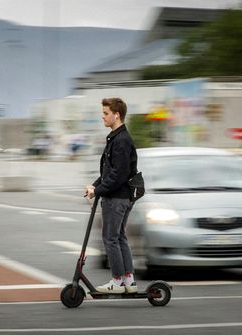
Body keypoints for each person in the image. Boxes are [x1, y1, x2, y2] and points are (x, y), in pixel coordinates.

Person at [85, 97, 138, 294]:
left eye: (106, 113)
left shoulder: (121, 140)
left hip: (117, 198)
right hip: (120, 196)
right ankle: (128, 281)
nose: (103, 116)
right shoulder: (117, 138)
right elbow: (110, 172)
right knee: (120, 237)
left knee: (110, 238)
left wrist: (98, 190)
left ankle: (117, 281)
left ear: (117, 115)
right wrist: (95, 185)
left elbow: (118, 174)